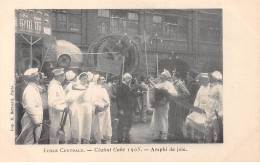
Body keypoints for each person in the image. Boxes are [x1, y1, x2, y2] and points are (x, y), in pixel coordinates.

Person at [16, 68, 43, 144]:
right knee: (30, 141)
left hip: (35, 119)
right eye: (37, 76)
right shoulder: (29, 90)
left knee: (35, 139)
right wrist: (36, 121)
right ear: (35, 78)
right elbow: (29, 107)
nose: (39, 78)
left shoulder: (33, 88)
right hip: (31, 120)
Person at [150, 69, 178, 141]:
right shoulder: (158, 84)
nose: (160, 76)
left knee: (163, 119)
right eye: (160, 75)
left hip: (164, 104)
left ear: (165, 76)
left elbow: (174, 93)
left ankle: (164, 135)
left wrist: (166, 90)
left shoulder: (169, 84)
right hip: (157, 104)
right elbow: (153, 92)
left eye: (162, 75)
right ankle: (156, 135)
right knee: (156, 119)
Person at [185, 73, 211, 142]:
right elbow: (197, 99)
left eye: (205, 80)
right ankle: (199, 137)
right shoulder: (201, 88)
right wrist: (195, 107)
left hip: (208, 109)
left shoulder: (211, 88)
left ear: (208, 80)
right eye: (202, 80)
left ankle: (208, 138)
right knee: (195, 121)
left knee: (206, 124)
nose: (203, 81)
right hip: (200, 108)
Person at [48, 68, 70, 144]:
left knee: (63, 134)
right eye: (63, 76)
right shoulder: (53, 86)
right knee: (55, 135)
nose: (64, 78)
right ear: (59, 76)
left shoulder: (58, 85)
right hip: (56, 114)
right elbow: (51, 103)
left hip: (62, 113)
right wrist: (63, 109)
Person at [66, 72, 88, 144]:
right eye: (84, 78)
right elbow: (69, 98)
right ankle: (76, 139)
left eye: (86, 79)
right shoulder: (74, 86)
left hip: (83, 107)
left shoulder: (86, 87)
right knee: (77, 123)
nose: (85, 80)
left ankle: (82, 138)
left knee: (83, 123)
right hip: (76, 107)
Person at [168, 71, 190, 142]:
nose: (172, 77)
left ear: (176, 77)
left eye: (173, 76)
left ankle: (180, 137)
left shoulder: (180, 84)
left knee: (178, 120)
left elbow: (187, 93)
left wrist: (178, 97)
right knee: (172, 119)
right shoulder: (173, 83)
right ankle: (173, 136)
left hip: (178, 104)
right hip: (172, 103)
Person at [91, 75, 112, 144]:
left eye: (104, 79)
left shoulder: (104, 89)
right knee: (99, 125)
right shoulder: (95, 89)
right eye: (102, 79)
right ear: (98, 81)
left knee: (107, 124)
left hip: (106, 110)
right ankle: (98, 140)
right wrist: (102, 105)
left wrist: (108, 104)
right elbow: (93, 101)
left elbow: (107, 100)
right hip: (100, 110)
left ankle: (107, 138)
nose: (104, 80)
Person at [116, 73, 135, 143]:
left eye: (130, 78)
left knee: (129, 123)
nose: (130, 80)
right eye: (128, 78)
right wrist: (120, 109)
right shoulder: (121, 87)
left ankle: (127, 137)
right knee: (121, 124)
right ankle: (120, 139)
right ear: (124, 79)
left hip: (129, 108)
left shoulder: (128, 86)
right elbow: (119, 99)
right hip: (123, 108)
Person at [205, 71, 223, 143]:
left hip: (216, 111)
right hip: (209, 110)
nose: (209, 78)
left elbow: (222, 100)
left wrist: (221, 112)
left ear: (214, 78)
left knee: (216, 131)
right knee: (208, 129)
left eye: (211, 77)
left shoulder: (219, 88)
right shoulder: (209, 86)